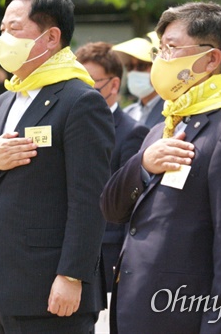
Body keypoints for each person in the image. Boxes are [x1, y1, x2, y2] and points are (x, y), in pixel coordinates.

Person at [101, 2, 221, 334]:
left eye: (172, 48)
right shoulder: (166, 124)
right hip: (136, 308)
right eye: (160, 49)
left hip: (182, 316)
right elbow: (112, 208)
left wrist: (218, 327)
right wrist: (143, 163)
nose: (161, 59)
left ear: (211, 58)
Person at [0, 0, 115, 334]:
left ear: (50, 38)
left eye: (14, 29)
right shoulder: (6, 99)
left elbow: (89, 199)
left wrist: (72, 275)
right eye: (2, 29)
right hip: (3, 285)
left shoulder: (80, 100)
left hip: (51, 287)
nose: (4, 38)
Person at [75, 41, 148, 292]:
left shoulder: (132, 132)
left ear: (114, 84)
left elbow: (130, 200)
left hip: (108, 251)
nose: (82, 90)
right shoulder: (71, 126)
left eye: (90, 81)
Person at [112, 36, 166, 128]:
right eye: (129, 67)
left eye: (141, 66)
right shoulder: (127, 113)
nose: (134, 71)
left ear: (158, 67)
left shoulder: (172, 112)